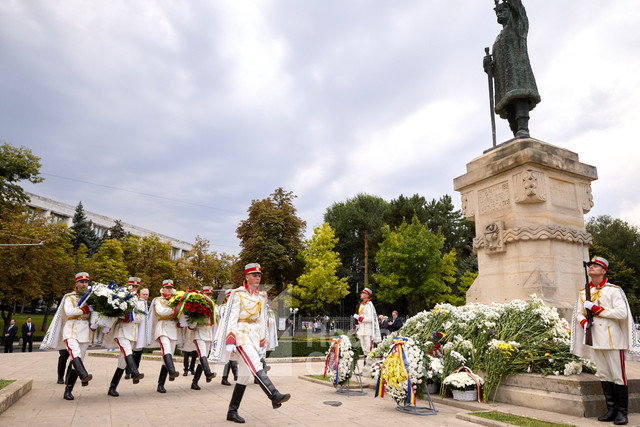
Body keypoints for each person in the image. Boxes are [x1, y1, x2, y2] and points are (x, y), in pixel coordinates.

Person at [210, 263, 290, 423]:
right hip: (240, 334)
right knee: (256, 365)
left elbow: (262, 319)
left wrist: (262, 343)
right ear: (246, 277)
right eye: (254, 275)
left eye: (259, 275)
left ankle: (232, 411)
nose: (257, 278)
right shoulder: (237, 294)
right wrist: (230, 339)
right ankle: (274, 395)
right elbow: (231, 317)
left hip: (253, 336)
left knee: (244, 376)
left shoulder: (262, 296)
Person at [571, 256, 640, 426]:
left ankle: (622, 412)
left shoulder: (614, 290)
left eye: (595, 266)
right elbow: (579, 313)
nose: (591, 268)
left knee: (618, 375)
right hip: (595, 339)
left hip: (613, 339)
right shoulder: (583, 292)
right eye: (590, 266)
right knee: (603, 374)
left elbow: (621, 313)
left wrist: (596, 309)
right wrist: (584, 321)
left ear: (603, 271)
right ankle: (611, 409)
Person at [483, 0, 540, 138]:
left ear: (511, 11)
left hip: (518, 76)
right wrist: (488, 66)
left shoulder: (517, 27)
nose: (499, 14)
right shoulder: (497, 40)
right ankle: (516, 133)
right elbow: (495, 67)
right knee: (508, 106)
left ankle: (523, 128)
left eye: (503, 11)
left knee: (519, 98)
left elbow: (519, 10)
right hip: (504, 81)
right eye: (497, 12)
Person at [40, 272, 94, 400]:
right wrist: (85, 310)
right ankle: (84, 375)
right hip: (71, 331)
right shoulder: (69, 297)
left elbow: (94, 315)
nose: (84, 284)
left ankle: (68, 390)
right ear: (76, 283)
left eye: (86, 282)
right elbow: (69, 312)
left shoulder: (92, 298)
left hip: (85, 333)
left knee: (78, 360)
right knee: (75, 353)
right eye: (81, 282)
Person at [105, 277, 145, 397]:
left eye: (136, 287)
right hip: (121, 331)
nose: (133, 288)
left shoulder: (141, 302)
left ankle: (112, 387)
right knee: (127, 351)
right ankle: (134, 372)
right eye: (131, 286)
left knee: (122, 362)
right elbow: (114, 313)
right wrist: (123, 316)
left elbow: (140, 318)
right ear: (127, 286)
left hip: (132, 334)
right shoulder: (119, 297)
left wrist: (129, 317)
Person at [148, 279, 181, 393]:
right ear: (162, 289)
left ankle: (161, 384)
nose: (169, 290)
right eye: (167, 288)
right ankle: (172, 371)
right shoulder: (158, 300)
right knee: (166, 349)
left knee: (167, 357)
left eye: (171, 288)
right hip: (162, 329)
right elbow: (160, 312)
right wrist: (174, 309)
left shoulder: (176, 300)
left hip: (172, 329)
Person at [181, 285, 216, 390]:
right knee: (202, 354)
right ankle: (208, 372)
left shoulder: (213, 307)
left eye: (210, 294)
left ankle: (194, 382)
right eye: (207, 294)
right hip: (199, 334)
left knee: (202, 359)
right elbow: (191, 326)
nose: (209, 296)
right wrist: (196, 315)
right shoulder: (196, 307)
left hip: (209, 334)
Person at [353, 288, 381, 370]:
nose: (361, 294)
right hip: (362, 330)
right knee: (364, 350)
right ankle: (365, 368)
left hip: (368, 331)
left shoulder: (369, 305)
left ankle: (370, 369)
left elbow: (370, 318)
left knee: (369, 350)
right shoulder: (362, 305)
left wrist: (360, 318)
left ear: (367, 295)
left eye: (363, 293)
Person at [126, 286, 150, 380]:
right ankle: (128, 371)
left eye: (147, 295)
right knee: (130, 351)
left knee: (139, 352)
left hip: (142, 330)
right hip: (134, 327)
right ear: (140, 294)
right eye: (143, 294)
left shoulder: (148, 304)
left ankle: (136, 371)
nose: (145, 296)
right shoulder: (135, 302)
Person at [218, 289, 238, 386]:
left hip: (235, 332)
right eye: (229, 296)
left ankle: (236, 374)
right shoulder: (223, 307)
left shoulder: (237, 307)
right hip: (226, 333)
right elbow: (223, 317)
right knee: (228, 356)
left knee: (233, 355)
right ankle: (225, 377)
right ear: (226, 297)